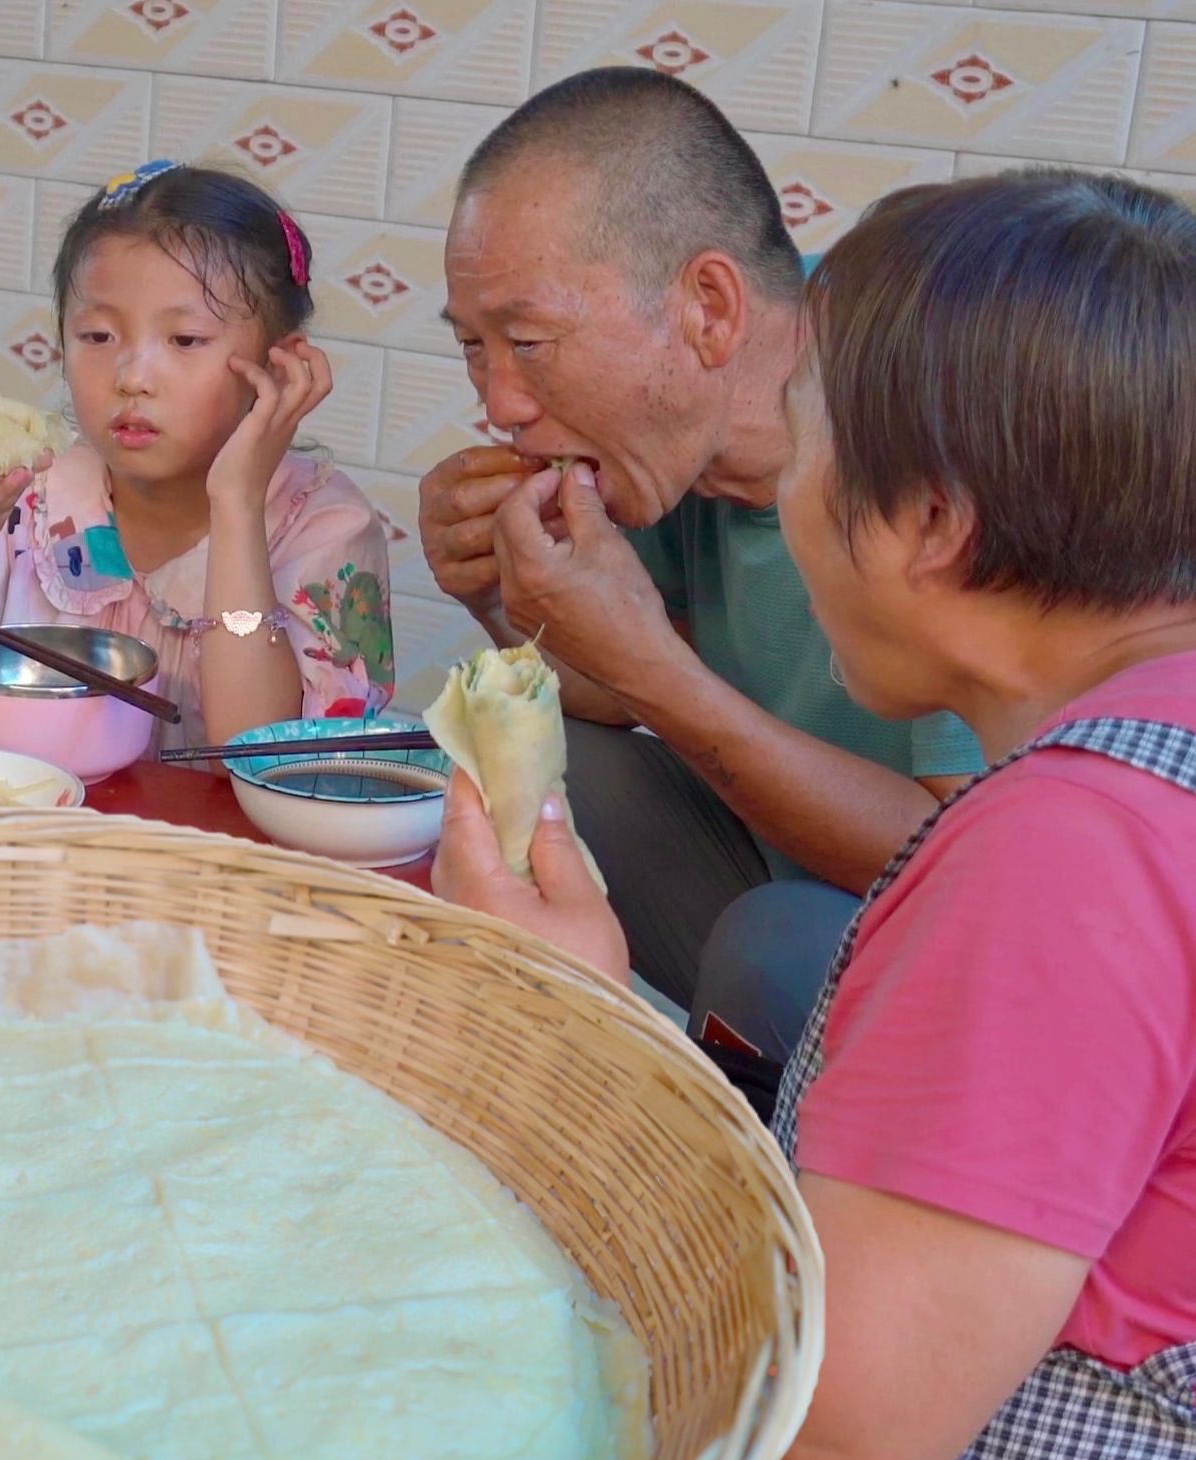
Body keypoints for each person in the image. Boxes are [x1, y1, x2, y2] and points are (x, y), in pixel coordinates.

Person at [235, 167, 1196, 1460]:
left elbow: (841, 1427)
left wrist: (568, 1048)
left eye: (806, 445)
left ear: (929, 525)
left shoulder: (1066, 849)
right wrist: (610, 998)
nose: (778, 490)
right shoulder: (1146, 747)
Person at [421, 69, 984, 1057]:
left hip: (968, 940)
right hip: (764, 859)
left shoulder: (927, 428)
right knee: (527, 769)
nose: (499, 404)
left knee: (775, 947)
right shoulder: (677, 448)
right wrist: (496, 596)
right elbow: (611, 689)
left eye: (529, 339)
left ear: (708, 308)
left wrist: (649, 668)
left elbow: (948, 857)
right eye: (474, 345)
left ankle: (755, 1171)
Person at [0, 159, 393, 748]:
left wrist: (237, 504)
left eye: (185, 340)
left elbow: (250, 755)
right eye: (97, 336)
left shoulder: (327, 528)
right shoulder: (33, 499)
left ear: (279, 367)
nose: (131, 377)